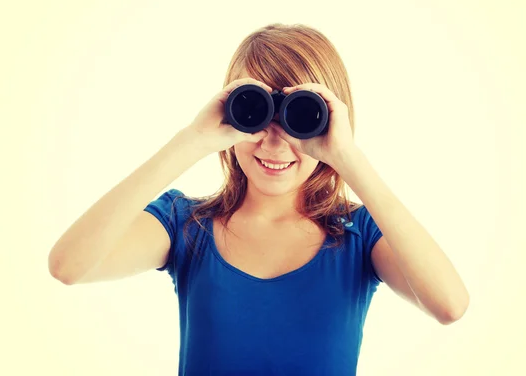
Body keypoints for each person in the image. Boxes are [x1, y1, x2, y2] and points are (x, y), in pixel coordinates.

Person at [48, 23, 469, 375]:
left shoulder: (359, 235)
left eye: (301, 118)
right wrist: (191, 141)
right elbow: (68, 266)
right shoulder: (184, 225)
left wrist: (349, 158)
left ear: (331, 122)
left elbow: (450, 306)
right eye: (255, 111)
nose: (274, 142)